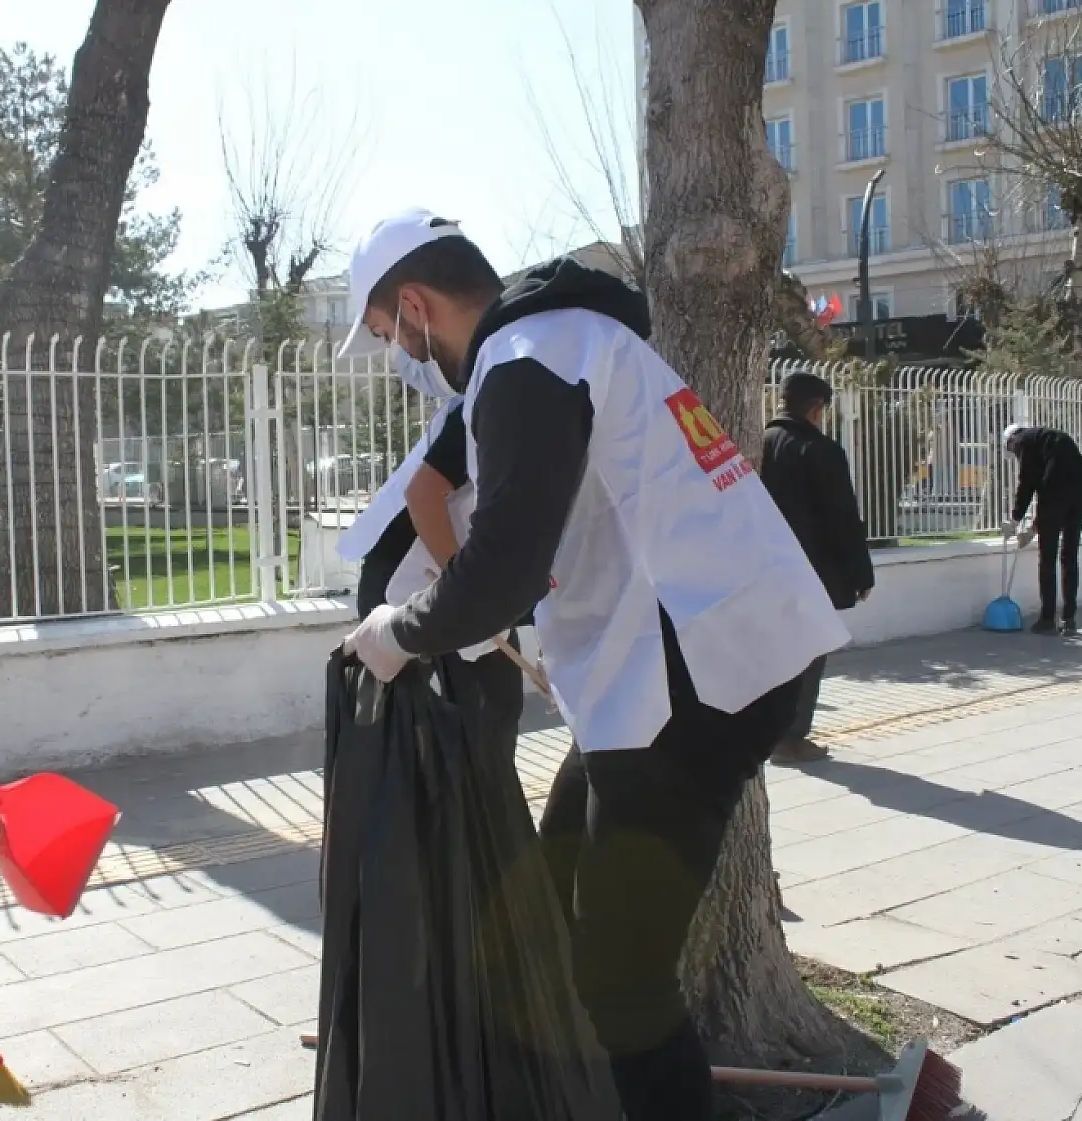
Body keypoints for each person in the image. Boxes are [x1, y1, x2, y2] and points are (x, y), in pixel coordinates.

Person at [338, 209, 849, 1121]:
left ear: (415, 305)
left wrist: (400, 633)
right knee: (553, 879)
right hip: (687, 661)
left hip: (693, 677)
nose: (400, 357)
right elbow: (517, 528)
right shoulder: (566, 339)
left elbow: (498, 565)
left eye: (389, 336)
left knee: (621, 982)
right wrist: (495, 617)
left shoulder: (527, 361)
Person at [334, 343, 526, 773]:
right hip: (419, 583)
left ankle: (475, 830)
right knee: (450, 740)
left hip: (446, 583)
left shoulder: (498, 398)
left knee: (486, 725)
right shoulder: (489, 405)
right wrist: (469, 593)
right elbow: (422, 496)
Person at [760, 371, 875, 764]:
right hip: (813, 572)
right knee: (808, 655)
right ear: (815, 408)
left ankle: (766, 731)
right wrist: (861, 574)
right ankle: (791, 738)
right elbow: (842, 516)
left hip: (766, 569)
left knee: (775, 653)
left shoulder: (761, 442)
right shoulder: (819, 449)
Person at [1002, 422, 1082, 635]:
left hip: (1058, 491)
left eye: (1011, 450)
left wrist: (1015, 520)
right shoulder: (1047, 437)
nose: (1014, 454)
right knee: (1069, 556)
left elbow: (1029, 483)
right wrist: (1034, 528)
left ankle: (1047, 619)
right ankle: (1069, 619)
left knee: (1048, 557)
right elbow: (1050, 483)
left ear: (1011, 440)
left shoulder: (1023, 442)